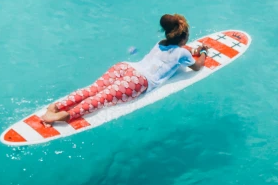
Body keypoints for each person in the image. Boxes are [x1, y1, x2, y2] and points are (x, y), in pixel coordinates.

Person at [41, 14, 209, 124]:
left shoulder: (161, 43)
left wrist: (190, 50)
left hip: (125, 68)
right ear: (184, 37)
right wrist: (202, 52)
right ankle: (59, 116)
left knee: (93, 89)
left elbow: (175, 53)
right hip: (139, 82)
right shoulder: (182, 53)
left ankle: (56, 106)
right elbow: (197, 67)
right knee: (100, 99)